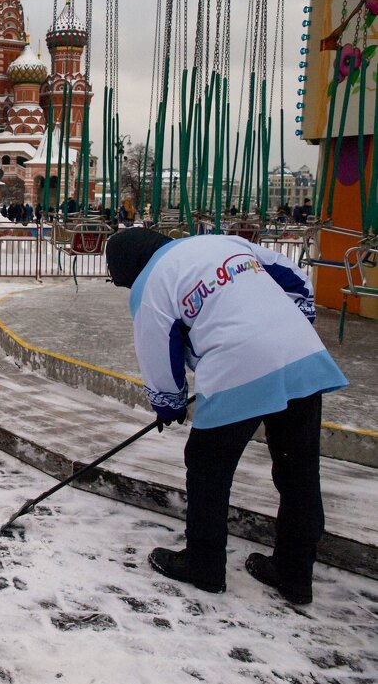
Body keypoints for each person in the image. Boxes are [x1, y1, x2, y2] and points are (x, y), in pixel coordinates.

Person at [105, 228, 348, 605]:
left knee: (207, 466)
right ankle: (294, 574)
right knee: (298, 470)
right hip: (301, 355)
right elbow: (292, 274)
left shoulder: (151, 283)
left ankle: (204, 564)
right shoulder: (222, 242)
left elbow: (157, 350)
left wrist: (168, 403)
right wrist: (292, 324)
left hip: (237, 366)